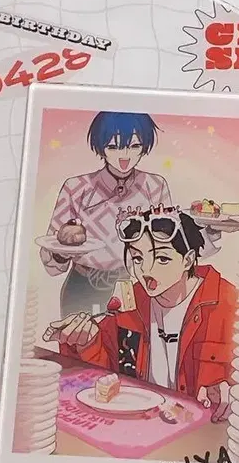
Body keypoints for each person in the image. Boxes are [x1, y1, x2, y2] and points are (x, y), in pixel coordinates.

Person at [48, 207, 235, 421]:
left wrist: (235, 392)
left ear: (188, 259)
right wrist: (87, 342)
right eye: (138, 259)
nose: (146, 270)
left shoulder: (228, 303)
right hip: (142, 423)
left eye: (162, 259)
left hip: (203, 428)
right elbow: (108, 374)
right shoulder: (131, 301)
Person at [41, 111, 218, 316]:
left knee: (133, 336)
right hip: (84, 287)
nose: (124, 155)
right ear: (100, 146)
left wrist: (211, 231)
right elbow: (51, 255)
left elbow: (170, 242)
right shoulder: (76, 187)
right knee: (78, 335)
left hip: (137, 283)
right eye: (113, 147)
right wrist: (61, 255)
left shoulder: (154, 185)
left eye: (134, 146)